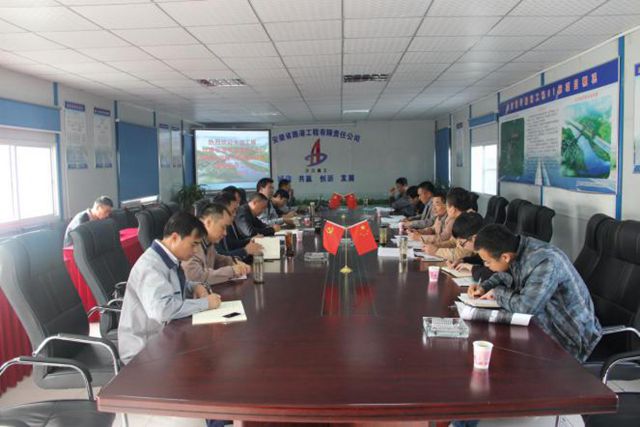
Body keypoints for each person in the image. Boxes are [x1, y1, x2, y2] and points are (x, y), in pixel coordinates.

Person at [468, 224, 602, 362]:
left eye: (487, 262)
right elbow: (504, 274)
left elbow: (527, 308)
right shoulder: (516, 248)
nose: (486, 266)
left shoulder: (546, 262)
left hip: (568, 337)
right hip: (542, 326)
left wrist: (497, 293)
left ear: (505, 257)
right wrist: (484, 287)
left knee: (503, 358)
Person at [118, 211, 221, 364]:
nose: (195, 251)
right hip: (143, 351)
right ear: (174, 238)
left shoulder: (167, 259)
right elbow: (163, 310)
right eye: (193, 245)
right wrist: (205, 303)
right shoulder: (150, 266)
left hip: (166, 335)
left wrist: (194, 287)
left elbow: (172, 286)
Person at [184, 202, 252, 286]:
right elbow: (196, 277)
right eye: (223, 227)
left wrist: (233, 262)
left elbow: (215, 259)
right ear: (208, 222)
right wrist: (232, 271)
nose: (225, 233)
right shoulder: (191, 243)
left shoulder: (208, 242)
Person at [422, 187, 478, 261]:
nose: (446, 209)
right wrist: (436, 245)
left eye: (447, 206)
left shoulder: (469, 221)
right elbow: (453, 242)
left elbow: (462, 253)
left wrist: (436, 251)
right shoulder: (460, 219)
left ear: (453, 209)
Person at [213, 192, 263, 261]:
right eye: (233, 210)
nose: (235, 214)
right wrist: (245, 251)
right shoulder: (214, 230)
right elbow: (221, 256)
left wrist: (250, 240)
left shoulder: (229, 223)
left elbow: (231, 243)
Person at [446, 212, 494, 282]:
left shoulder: (493, 248)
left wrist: (472, 268)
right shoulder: (485, 245)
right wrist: (463, 261)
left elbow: (495, 275)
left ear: (474, 238)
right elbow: (480, 259)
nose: (461, 247)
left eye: (462, 243)